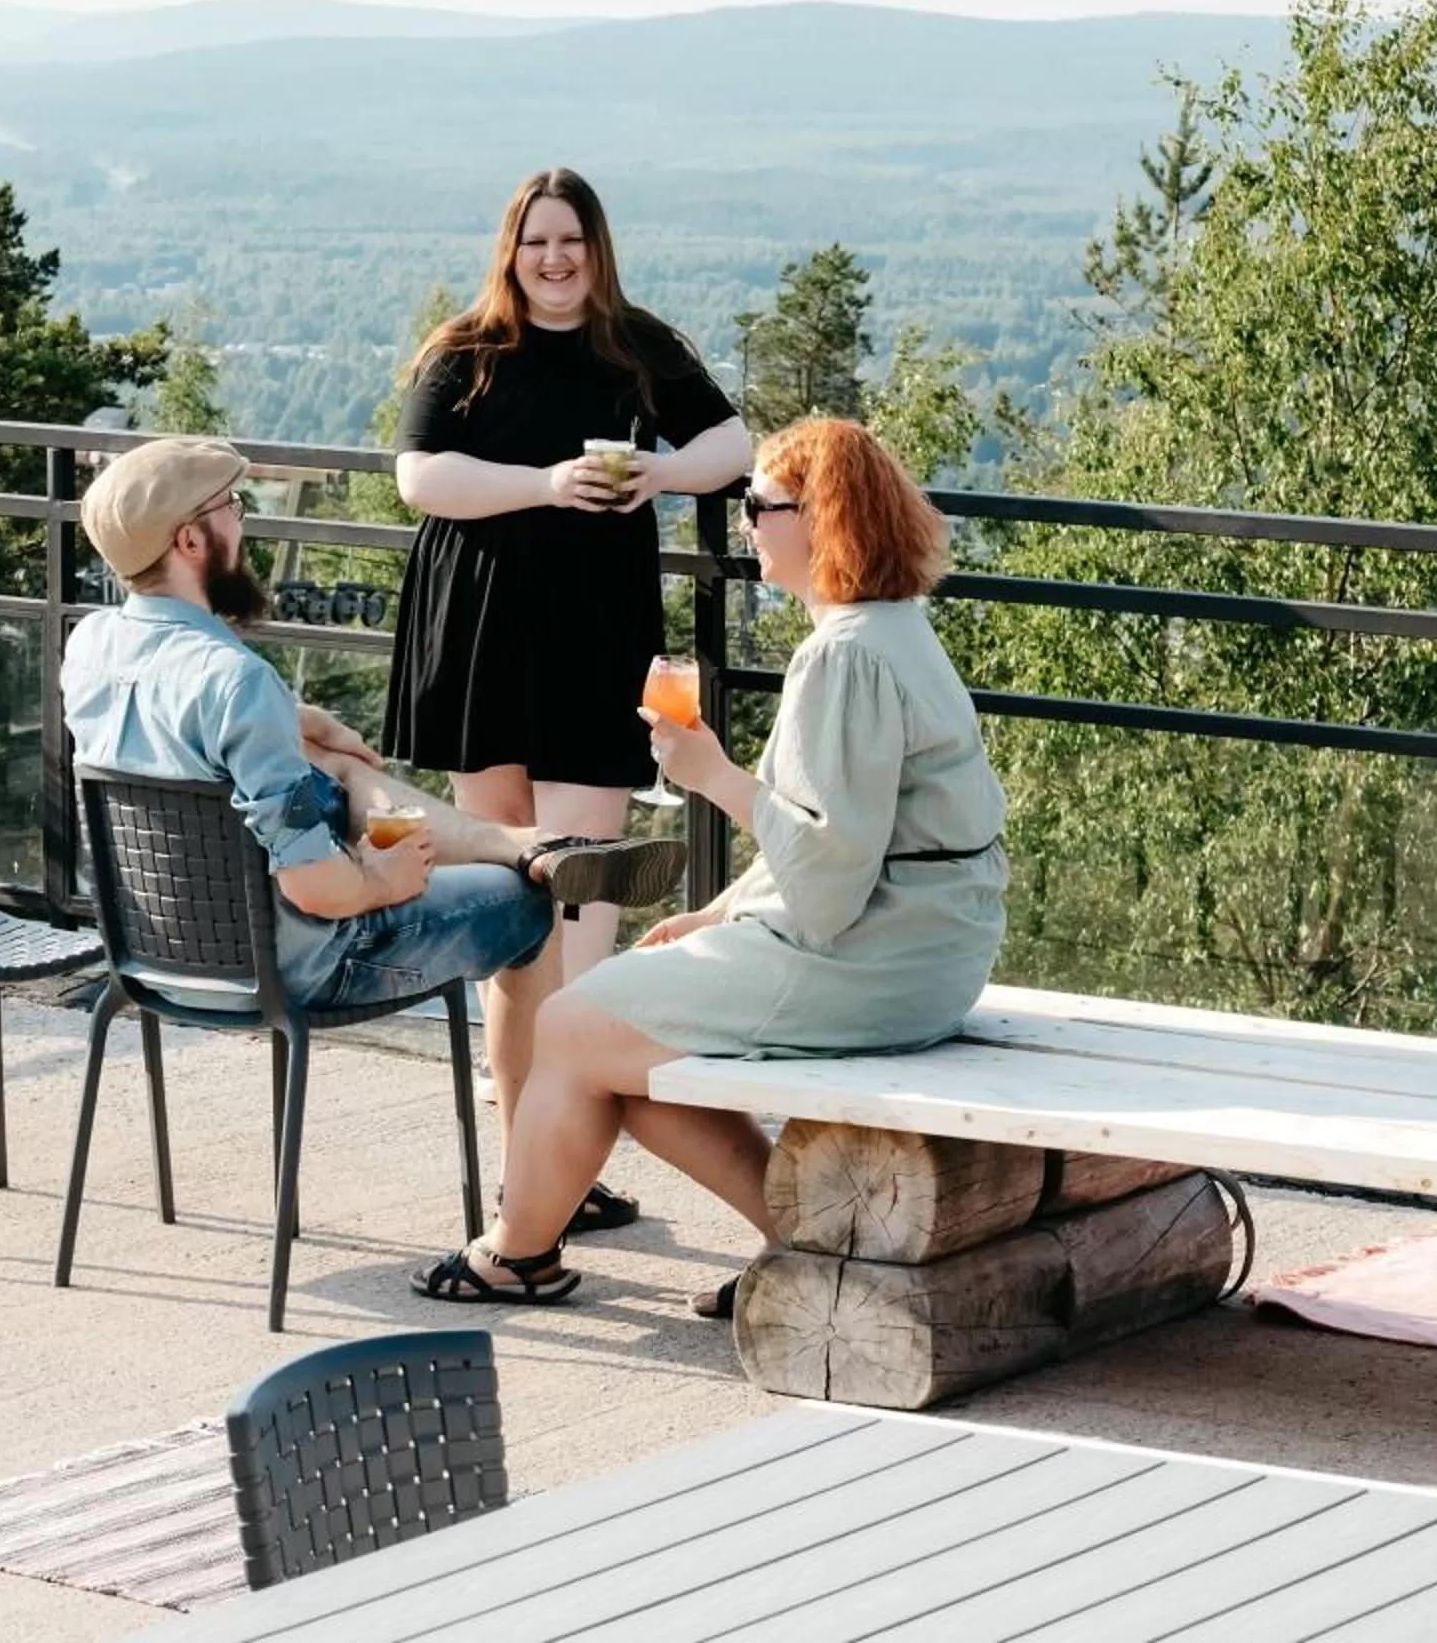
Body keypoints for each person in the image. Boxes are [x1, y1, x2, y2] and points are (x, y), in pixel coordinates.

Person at [412, 418, 1007, 1308]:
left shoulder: (843, 658)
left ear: (821, 519)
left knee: (571, 1022)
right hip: (928, 947)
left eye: (758, 505)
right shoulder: (893, 631)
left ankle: (517, 1256)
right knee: (634, 1064)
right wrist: (720, 914)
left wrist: (712, 775)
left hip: (873, 959)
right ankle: (810, 1246)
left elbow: (830, 878)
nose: (744, 523)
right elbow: (859, 838)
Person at [58, 434, 687, 1168]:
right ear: (191, 540)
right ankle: (536, 1180)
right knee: (529, 911)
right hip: (294, 964)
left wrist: (300, 723)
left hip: (153, 954)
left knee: (335, 765)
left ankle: (525, 844)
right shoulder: (235, 681)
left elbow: (179, 728)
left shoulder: (92, 646)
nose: (244, 524)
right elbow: (319, 889)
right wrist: (383, 880)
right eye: (232, 508)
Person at [387, 169, 750, 991]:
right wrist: (547, 485)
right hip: (479, 614)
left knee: (585, 860)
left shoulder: (636, 343)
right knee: (497, 851)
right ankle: (517, 1046)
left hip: (596, 619)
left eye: (570, 240)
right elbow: (419, 477)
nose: (554, 259)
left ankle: (571, 1028)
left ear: (597, 248)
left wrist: (663, 472)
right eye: (537, 242)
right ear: (511, 251)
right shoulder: (466, 349)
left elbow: (731, 445)